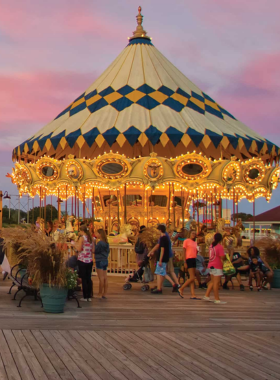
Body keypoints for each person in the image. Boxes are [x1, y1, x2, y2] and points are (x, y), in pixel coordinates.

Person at [148, 224, 180, 292]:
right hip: (165, 256)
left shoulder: (163, 238)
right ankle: (160, 286)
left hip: (164, 257)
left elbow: (161, 248)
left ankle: (174, 284)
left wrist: (160, 259)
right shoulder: (165, 237)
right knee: (161, 272)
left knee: (164, 272)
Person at [203, 233, 227, 304]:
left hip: (211, 264)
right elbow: (222, 257)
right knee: (216, 283)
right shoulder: (219, 246)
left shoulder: (211, 246)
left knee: (213, 282)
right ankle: (217, 299)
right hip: (217, 265)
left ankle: (207, 295)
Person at [178, 230, 200, 299]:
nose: (194, 234)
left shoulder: (195, 242)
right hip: (189, 259)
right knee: (192, 277)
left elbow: (195, 252)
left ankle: (193, 294)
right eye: (192, 233)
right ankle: (181, 288)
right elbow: (184, 251)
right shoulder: (186, 241)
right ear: (190, 234)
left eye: (194, 233)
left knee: (192, 278)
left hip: (194, 259)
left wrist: (197, 250)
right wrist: (185, 261)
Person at [76, 224, 94, 302]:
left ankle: (85, 296)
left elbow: (79, 248)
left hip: (82, 260)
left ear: (82, 231)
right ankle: (89, 296)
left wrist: (74, 245)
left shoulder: (82, 238)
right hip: (89, 260)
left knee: (83, 278)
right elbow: (93, 250)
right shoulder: (92, 239)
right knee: (88, 278)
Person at [150, 224, 170, 294]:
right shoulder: (166, 238)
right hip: (164, 257)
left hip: (162, 258)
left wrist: (160, 260)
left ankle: (160, 288)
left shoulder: (162, 238)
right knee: (162, 273)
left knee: (160, 273)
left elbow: (162, 249)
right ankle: (159, 287)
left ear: (160, 230)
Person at [93, 228, 110, 299]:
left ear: (100, 234)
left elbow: (95, 250)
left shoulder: (100, 243)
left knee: (101, 278)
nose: (96, 235)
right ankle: (105, 293)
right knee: (105, 277)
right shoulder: (106, 243)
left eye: (97, 233)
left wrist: (93, 242)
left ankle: (100, 293)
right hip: (105, 260)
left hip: (99, 260)